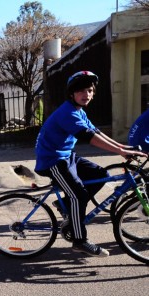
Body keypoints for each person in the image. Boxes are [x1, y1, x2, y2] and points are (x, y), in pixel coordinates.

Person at [34, 70, 146, 257]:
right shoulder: (67, 113)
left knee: (101, 175)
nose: (86, 95)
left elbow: (97, 132)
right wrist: (121, 151)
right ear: (72, 94)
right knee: (79, 195)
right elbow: (90, 138)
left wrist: (123, 147)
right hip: (52, 159)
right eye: (81, 91)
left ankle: (66, 207)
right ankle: (79, 241)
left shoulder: (79, 111)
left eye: (89, 90)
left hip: (67, 155)